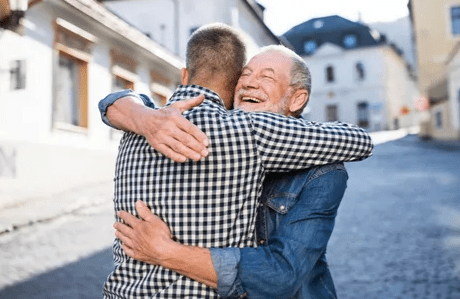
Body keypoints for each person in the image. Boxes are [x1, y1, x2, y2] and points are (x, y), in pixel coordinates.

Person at [100, 23, 373, 298]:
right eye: (244, 74)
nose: (250, 82)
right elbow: (118, 102)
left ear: (297, 98)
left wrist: (167, 252)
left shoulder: (322, 169)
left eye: (267, 77)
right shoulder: (220, 128)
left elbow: (282, 276)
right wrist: (140, 116)